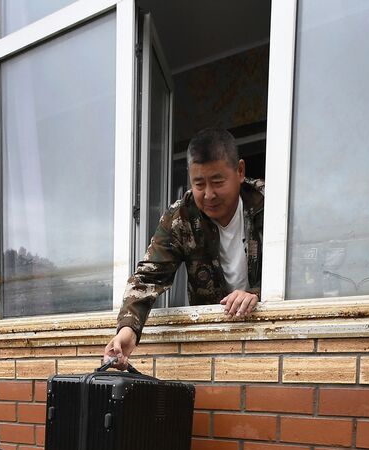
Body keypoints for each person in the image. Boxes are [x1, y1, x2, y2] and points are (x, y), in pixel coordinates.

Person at [103, 128, 263, 369]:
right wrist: (128, 330)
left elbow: (298, 270)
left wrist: (256, 294)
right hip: (213, 348)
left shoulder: (268, 203)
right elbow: (147, 278)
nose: (209, 194)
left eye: (217, 182)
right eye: (199, 184)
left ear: (240, 171)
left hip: (265, 338)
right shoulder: (182, 216)